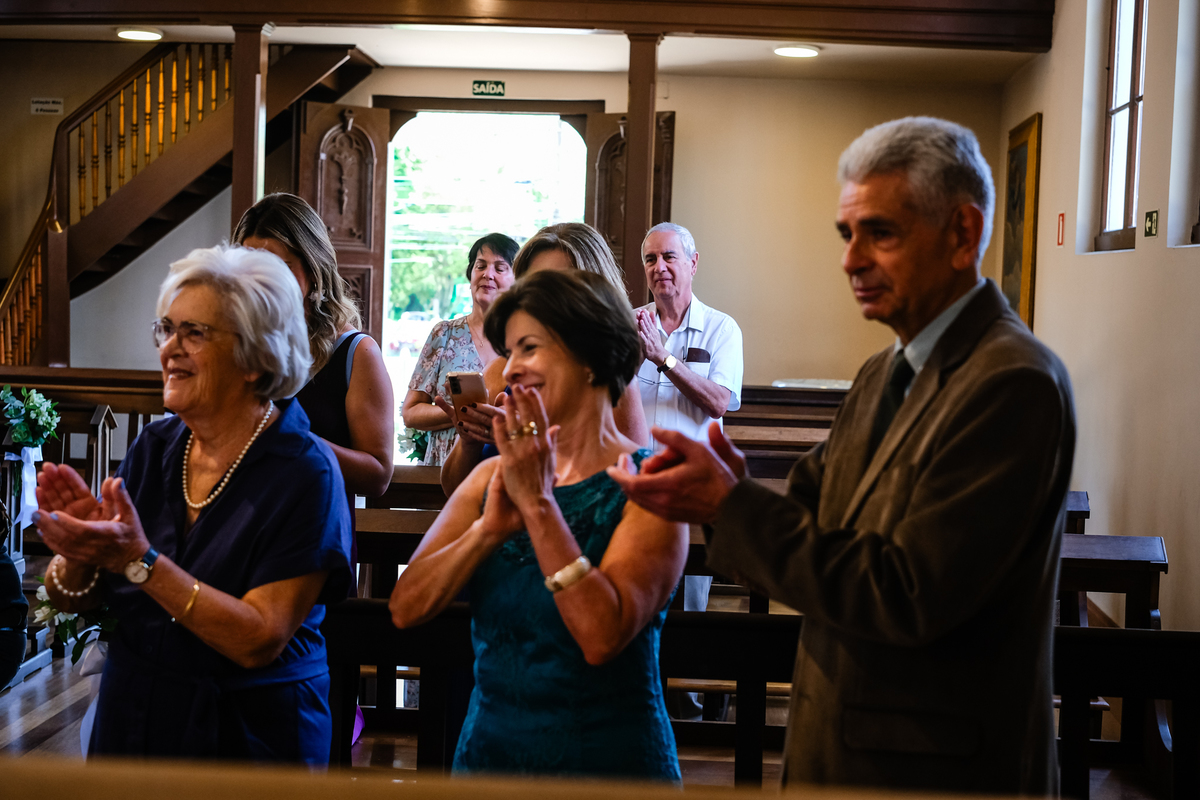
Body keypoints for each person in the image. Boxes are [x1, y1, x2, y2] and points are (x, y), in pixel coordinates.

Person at [609, 117, 1076, 795]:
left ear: (963, 234)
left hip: (936, 764)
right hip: (843, 742)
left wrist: (728, 503)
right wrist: (720, 488)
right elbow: (811, 511)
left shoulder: (1011, 381)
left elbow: (905, 595)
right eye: (846, 234)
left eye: (880, 233)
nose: (851, 260)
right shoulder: (882, 372)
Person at [33, 245, 352, 763]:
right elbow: (78, 596)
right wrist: (80, 554)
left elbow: (258, 638)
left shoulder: (306, 471)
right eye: (166, 329)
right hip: (134, 719)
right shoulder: (155, 447)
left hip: (251, 739)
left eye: (194, 333)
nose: (169, 350)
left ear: (256, 356)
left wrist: (138, 561)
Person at [390, 269, 686, 781]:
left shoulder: (650, 488)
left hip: (608, 770)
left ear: (592, 355)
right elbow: (406, 608)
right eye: (509, 352)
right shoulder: (491, 478)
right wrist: (488, 530)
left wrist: (539, 506)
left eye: (529, 348)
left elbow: (600, 636)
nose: (509, 371)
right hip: (489, 758)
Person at [439, 223, 648, 495]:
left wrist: (527, 443)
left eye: (557, 286)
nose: (542, 301)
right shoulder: (501, 370)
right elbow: (454, 488)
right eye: (534, 285)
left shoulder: (611, 382)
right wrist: (470, 441)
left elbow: (624, 490)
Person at [634, 222, 743, 718]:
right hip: (633, 492)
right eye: (651, 259)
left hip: (692, 492)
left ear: (693, 263)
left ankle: (689, 717)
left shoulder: (721, 328)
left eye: (670, 257)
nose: (660, 268)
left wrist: (665, 359)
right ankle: (637, 712)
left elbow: (720, 402)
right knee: (635, 610)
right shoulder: (630, 325)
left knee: (686, 615)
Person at [234, 193, 395, 503]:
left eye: (278, 268)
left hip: (316, 529)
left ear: (313, 268)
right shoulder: (231, 343)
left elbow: (377, 476)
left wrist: (287, 434)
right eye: (249, 268)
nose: (261, 283)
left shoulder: (355, 353)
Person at [402, 233, 519, 466]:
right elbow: (410, 412)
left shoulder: (522, 342)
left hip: (498, 467)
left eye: (500, 267)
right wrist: (459, 414)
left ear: (517, 280)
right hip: (442, 471)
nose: (488, 274)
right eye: (480, 265)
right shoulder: (444, 334)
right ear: (470, 274)